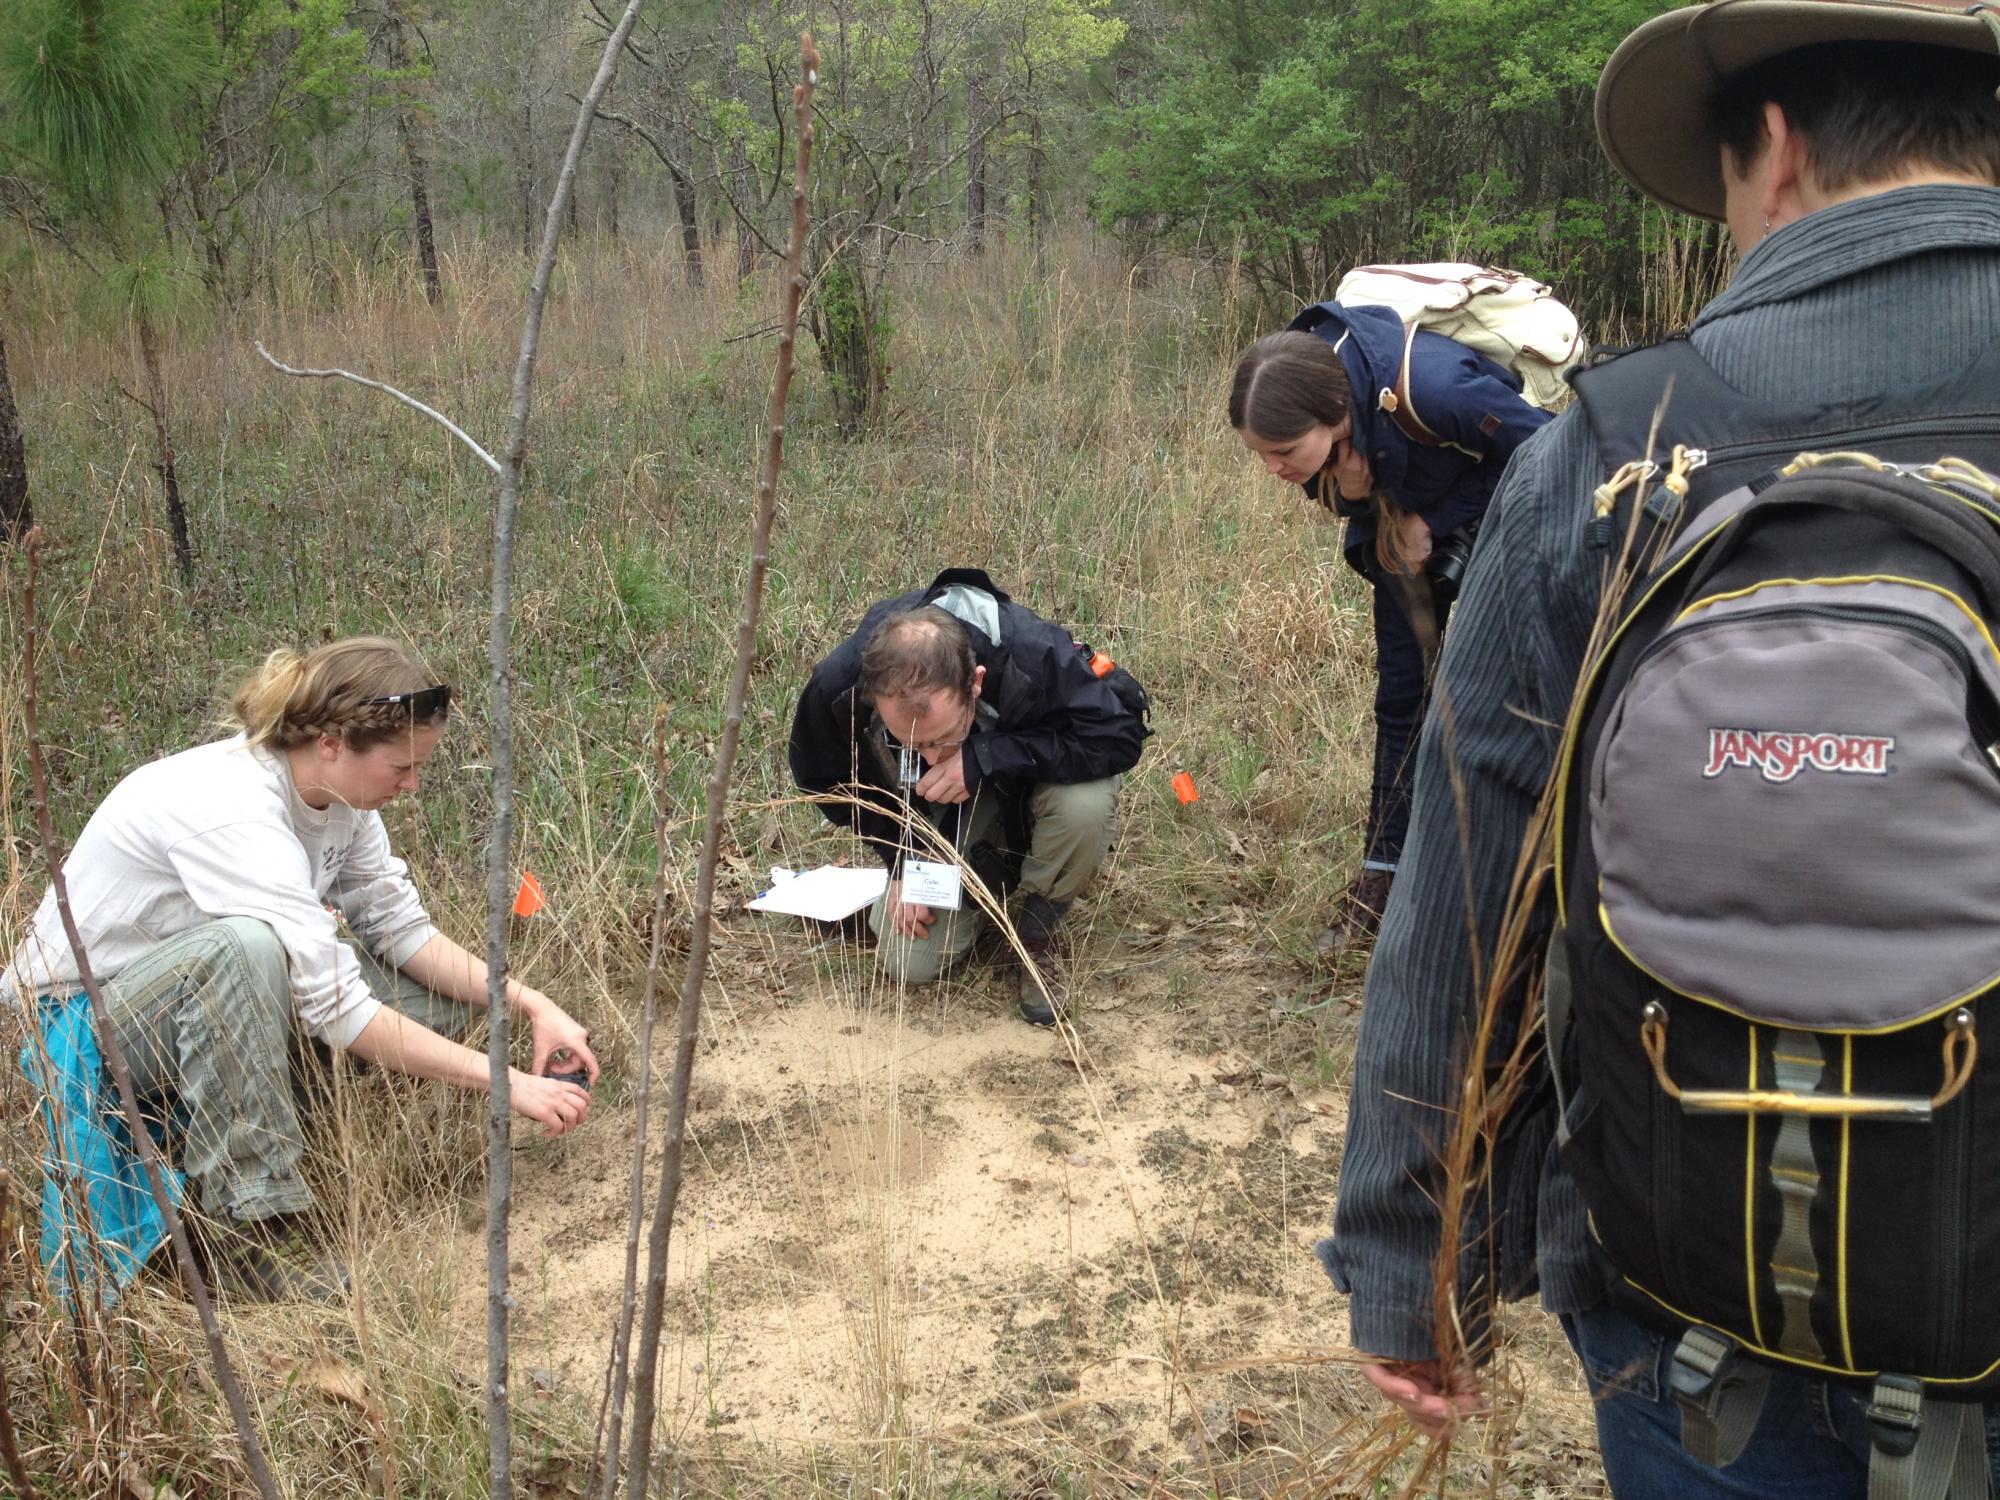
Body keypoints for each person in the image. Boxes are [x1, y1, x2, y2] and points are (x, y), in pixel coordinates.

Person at [1324, 2, 2000, 1493]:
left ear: (1775, 145)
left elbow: (1471, 865)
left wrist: (1415, 1253)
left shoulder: (1621, 437)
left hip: (1687, 1303)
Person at [7, 636, 598, 1301]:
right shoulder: (230, 806)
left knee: (444, 1005)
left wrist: (530, 1003)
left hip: (195, 1001)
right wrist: (502, 1081)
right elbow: (335, 1005)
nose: (412, 786)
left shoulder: (341, 800)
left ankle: (269, 1134)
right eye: (401, 767)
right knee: (246, 948)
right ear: (331, 743)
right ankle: (245, 1233)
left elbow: (401, 930)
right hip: (81, 1027)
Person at [1230, 301, 1548, 963]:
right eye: (1261, 455)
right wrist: (1353, 490)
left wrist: (1434, 517)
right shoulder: (1320, 412)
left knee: (1508, 694)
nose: (1273, 470)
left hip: (1512, 528)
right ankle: (1383, 877)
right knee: (1403, 700)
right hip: (1405, 540)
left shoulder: (1434, 389)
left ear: (1334, 410)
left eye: (1283, 453)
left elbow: (1550, 450)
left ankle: (1518, 887)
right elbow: (1332, 483)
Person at [789, 568, 1147, 1026]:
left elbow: (1118, 738)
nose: (932, 755)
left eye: (943, 736)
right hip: (951, 805)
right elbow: (822, 780)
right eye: (912, 745)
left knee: (1084, 807)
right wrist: (899, 854)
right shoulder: (838, 685)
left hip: (1040, 783)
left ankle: (1038, 932)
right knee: (905, 960)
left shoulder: (1031, 652)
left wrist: (986, 756)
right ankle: (986, 880)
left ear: (975, 682)